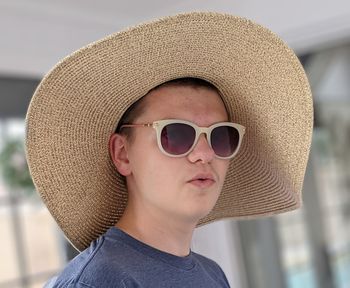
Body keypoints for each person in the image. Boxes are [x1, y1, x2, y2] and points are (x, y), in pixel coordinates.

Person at [25, 12, 313, 288]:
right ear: (123, 154)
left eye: (220, 136)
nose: (204, 154)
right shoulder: (95, 282)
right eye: (177, 134)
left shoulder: (212, 275)